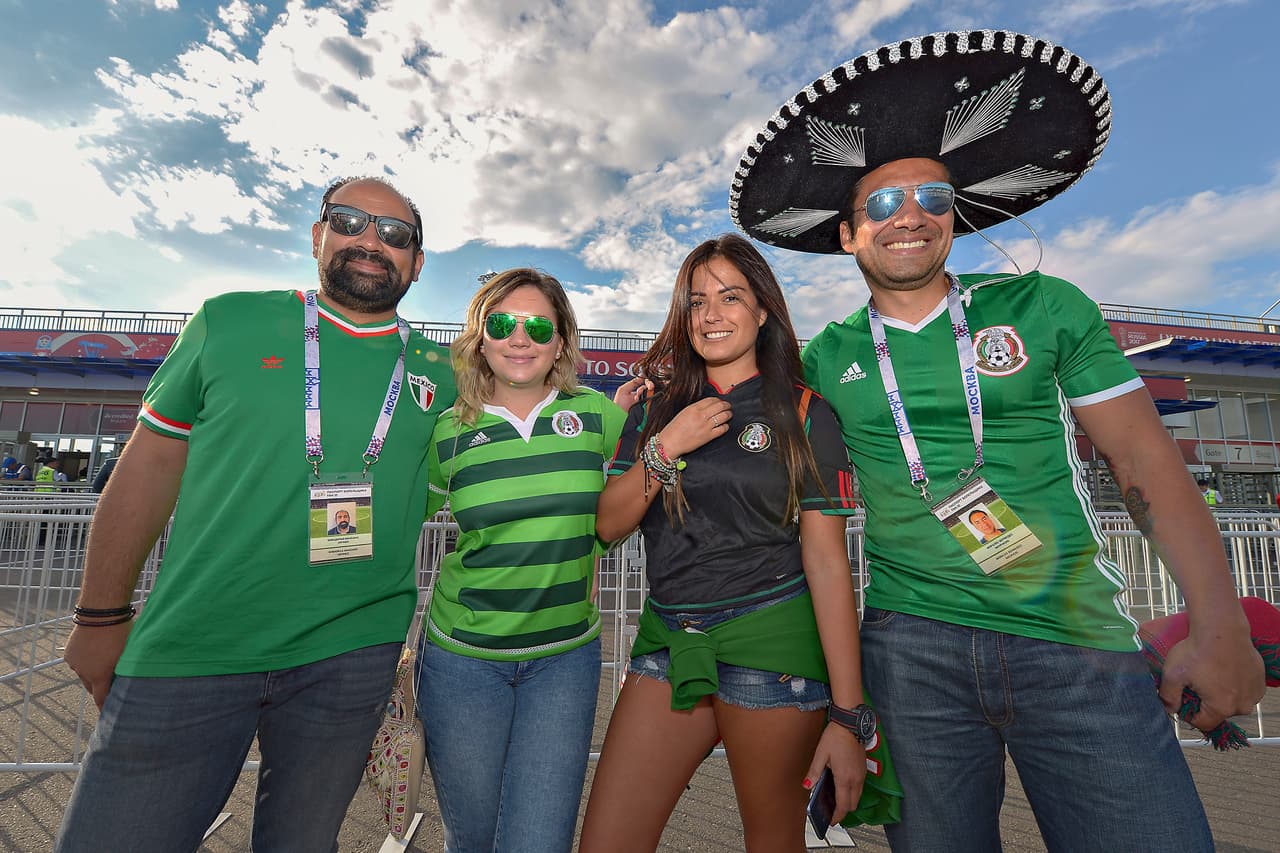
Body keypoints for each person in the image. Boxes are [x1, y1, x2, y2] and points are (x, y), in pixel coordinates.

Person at [729, 29, 1265, 852]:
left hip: (1080, 646)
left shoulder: (1045, 306)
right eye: (880, 203)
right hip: (911, 652)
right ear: (846, 233)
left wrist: (1218, 621)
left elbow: (1142, 461)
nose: (908, 215)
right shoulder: (825, 359)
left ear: (956, 216)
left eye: (933, 199)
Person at [56, 176, 458, 853]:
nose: (371, 240)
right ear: (317, 236)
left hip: (352, 655)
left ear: (416, 263)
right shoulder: (228, 320)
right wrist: (100, 615)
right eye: (351, 221)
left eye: (395, 234)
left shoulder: (446, 371)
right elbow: (147, 470)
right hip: (193, 646)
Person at [579, 234, 869, 853]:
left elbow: (826, 561)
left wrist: (848, 715)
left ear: (763, 310)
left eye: (730, 297)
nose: (711, 314)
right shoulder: (656, 410)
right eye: (697, 300)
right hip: (668, 640)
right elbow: (607, 525)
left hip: (773, 649)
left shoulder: (805, 411)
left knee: (771, 841)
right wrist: (666, 446)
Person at [416, 268, 626, 853]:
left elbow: (627, 505)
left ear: (561, 339)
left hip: (564, 661)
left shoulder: (599, 417)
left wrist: (594, 545)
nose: (520, 338)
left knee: (539, 841)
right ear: (480, 335)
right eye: (503, 323)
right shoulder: (445, 432)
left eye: (539, 325)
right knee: (475, 839)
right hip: (463, 663)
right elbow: (398, 524)